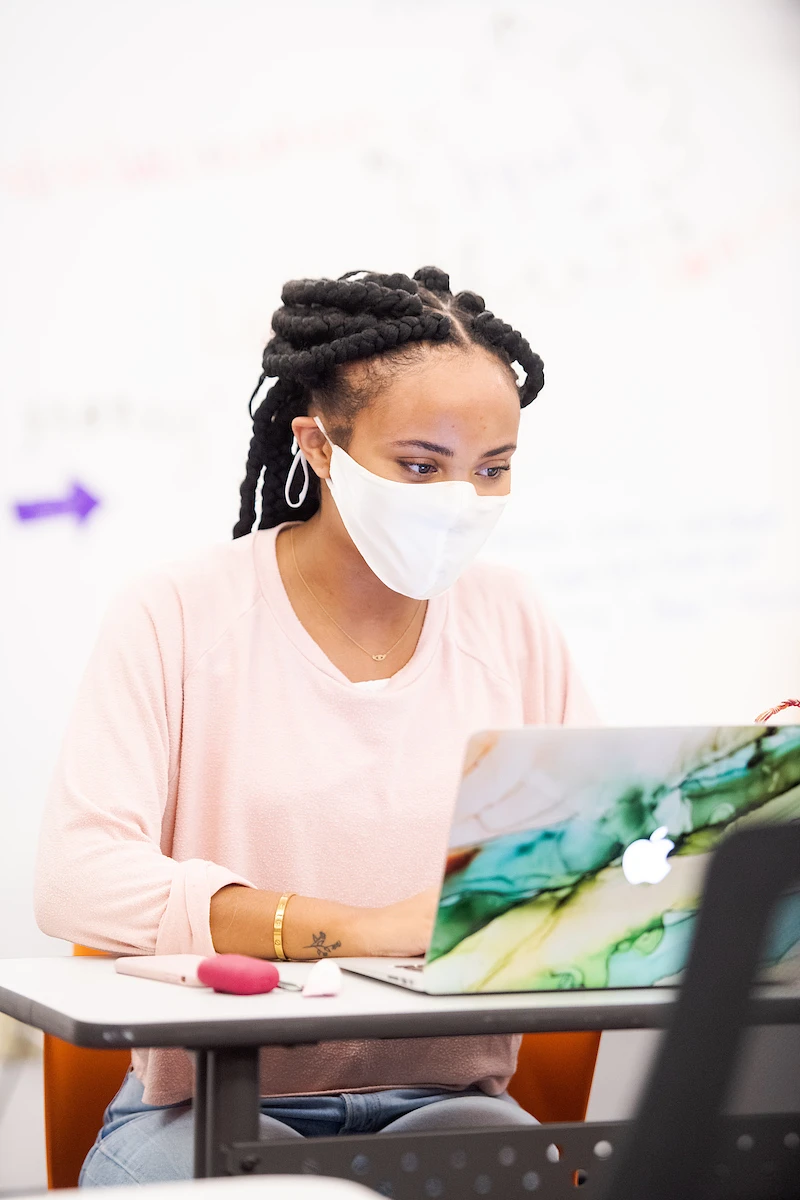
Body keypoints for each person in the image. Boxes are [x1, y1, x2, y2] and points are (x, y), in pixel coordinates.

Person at [34, 267, 595, 1186]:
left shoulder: (513, 619)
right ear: (320, 447)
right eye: (421, 465)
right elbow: (77, 876)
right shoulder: (174, 614)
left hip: (451, 1103)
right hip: (205, 1104)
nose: (461, 498)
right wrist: (355, 930)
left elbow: (596, 849)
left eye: (493, 469)